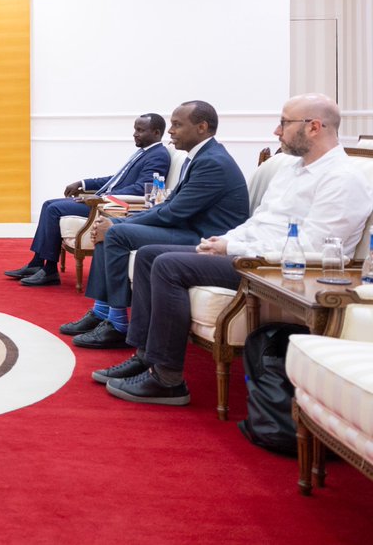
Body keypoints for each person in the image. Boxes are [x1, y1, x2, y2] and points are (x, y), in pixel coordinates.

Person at [95, 94, 373, 405]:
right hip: (248, 252)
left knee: (168, 265)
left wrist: (233, 246)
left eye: (284, 122)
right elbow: (259, 222)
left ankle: (168, 379)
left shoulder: (342, 178)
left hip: (272, 269)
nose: (276, 131)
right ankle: (146, 357)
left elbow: (315, 248)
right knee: (149, 256)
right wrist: (224, 241)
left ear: (314, 127)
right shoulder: (293, 170)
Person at [66, 100, 249, 348]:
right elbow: (171, 204)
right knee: (111, 228)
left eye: (176, 125)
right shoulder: (199, 156)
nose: (170, 131)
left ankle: (117, 324)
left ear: (202, 127)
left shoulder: (212, 162)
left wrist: (120, 223)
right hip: (188, 228)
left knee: (116, 233)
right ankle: (103, 312)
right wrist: (121, 220)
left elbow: (173, 212)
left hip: (204, 238)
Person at [5, 113, 169, 287]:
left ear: (156, 133)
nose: (135, 134)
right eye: (135, 129)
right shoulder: (144, 153)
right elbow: (116, 179)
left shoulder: (158, 155)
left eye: (140, 130)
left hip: (110, 205)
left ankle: (50, 271)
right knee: (48, 204)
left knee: (54, 209)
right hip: (104, 200)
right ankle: (36, 263)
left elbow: (141, 188)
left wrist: (101, 197)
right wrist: (83, 183)